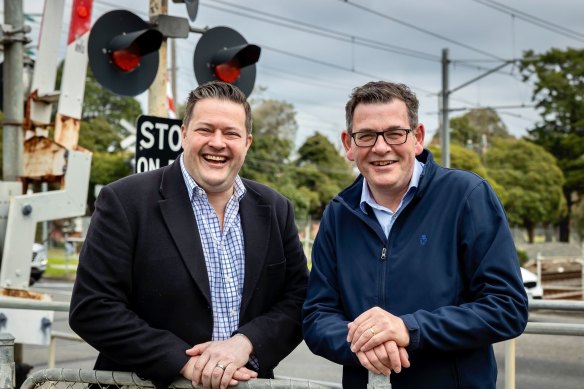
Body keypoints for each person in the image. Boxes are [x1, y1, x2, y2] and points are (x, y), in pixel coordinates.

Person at [69, 81, 309, 389]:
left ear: (247, 142)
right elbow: (93, 307)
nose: (218, 143)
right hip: (148, 384)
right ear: (184, 134)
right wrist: (185, 363)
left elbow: (298, 299)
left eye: (231, 133)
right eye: (205, 130)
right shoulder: (126, 201)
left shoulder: (275, 208)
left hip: (247, 383)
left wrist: (247, 343)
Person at [302, 81, 528, 388]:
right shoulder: (338, 214)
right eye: (366, 135)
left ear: (417, 137)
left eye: (395, 133)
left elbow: (507, 306)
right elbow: (317, 315)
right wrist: (365, 344)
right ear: (349, 144)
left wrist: (409, 329)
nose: (381, 148)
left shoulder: (466, 196)